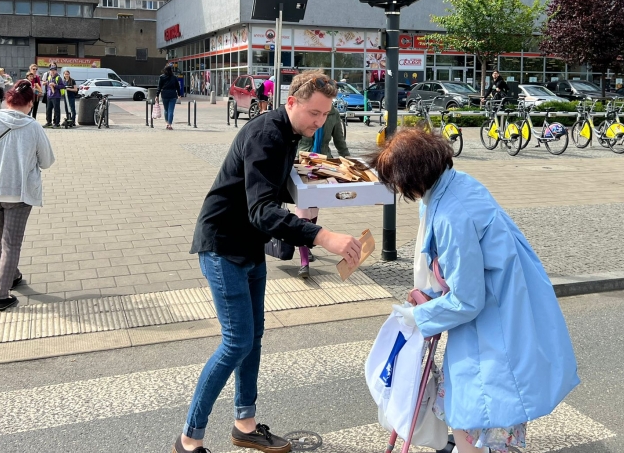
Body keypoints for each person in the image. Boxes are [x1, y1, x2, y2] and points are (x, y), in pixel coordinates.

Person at [176, 71, 362, 453]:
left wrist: (330, 182)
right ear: (291, 102)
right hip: (223, 246)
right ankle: (189, 440)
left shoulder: (289, 134)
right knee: (236, 343)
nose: (319, 122)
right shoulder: (267, 135)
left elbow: (272, 189)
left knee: (253, 338)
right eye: (314, 113)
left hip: (249, 246)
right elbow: (261, 209)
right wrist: (323, 236)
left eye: (325, 114)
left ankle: (244, 424)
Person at [368, 129, 579, 453]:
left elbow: (467, 299)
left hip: (494, 325)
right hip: (504, 309)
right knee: (480, 414)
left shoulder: (452, 215)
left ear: (412, 178)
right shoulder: (456, 185)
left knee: (478, 418)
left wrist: (419, 316)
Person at [0, 79, 55, 311]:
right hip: (17, 194)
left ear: (8, 100)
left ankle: (13, 274)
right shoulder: (33, 127)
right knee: (11, 244)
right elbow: (47, 162)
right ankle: (2, 295)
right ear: (30, 103)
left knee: (2, 239)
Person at [293, 105, 349, 278]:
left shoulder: (333, 114)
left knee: (313, 210)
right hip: (301, 164)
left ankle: (308, 241)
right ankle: (304, 262)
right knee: (302, 209)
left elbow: (339, 141)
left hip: (323, 166)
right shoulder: (305, 109)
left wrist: (349, 163)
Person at [157, 65, 183, 130]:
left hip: (164, 95)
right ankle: (169, 124)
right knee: (171, 110)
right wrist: (179, 94)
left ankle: (167, 122)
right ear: (171, 70)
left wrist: (157, 95)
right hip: (173, 95)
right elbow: (177, 87)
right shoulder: (174, 77)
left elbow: (159, 87)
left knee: (166, 110)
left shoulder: (161, 77)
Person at [43, 64, 65, 128]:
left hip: (56, 96)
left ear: (56, 71)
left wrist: (55, 85)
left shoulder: (58, 78)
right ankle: (49, 122)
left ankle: (57, 123)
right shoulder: (49, 77)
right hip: (49, 96)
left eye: (54, 70)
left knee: (56, 110)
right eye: (51, 70)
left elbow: (62, 86)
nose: (52, 71)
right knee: (48, 110)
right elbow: (48, 86)